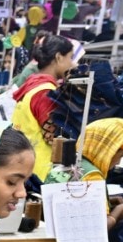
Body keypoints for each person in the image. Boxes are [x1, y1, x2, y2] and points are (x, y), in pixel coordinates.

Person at [12, 32, 77, 179]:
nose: (72, 64)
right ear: (59, 57)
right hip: (40, 170)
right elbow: (52, 137)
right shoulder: (46, 93)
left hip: (23, 161)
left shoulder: (33, 85)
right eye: (70, 58)